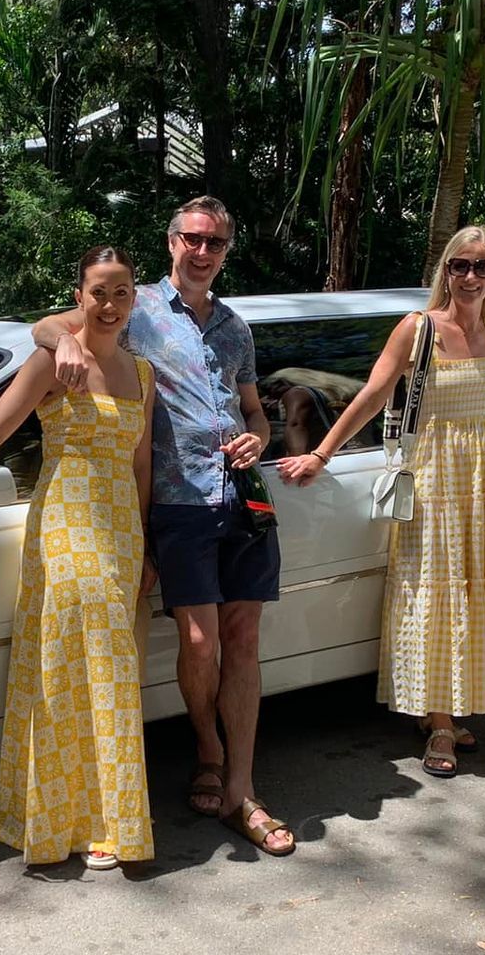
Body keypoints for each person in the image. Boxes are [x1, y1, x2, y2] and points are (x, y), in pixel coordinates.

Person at [31, 198, 294, 857]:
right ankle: (207, 747)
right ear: (172, 241)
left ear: (227, 250)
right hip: (177, 506)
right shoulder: (134, 306)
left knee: (243, 636)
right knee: (200, 644)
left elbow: (255, 411)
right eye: (193, 240)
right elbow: (46, 326)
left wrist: (259, 439)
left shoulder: (236, 327)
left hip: (246, 501)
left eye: (217, 243)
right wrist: (63, 338)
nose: (204, 252)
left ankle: (240, 786)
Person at [0, 246, 156, 870]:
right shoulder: (53, 360)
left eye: (121, 293)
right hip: (65, 521)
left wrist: (145, 543)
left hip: (120, 532)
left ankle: (105, 817)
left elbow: (141, 466)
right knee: (65, 663)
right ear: (78, 295)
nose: (109, 305)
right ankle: (58, 818)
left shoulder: (143, 374)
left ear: (134, 299)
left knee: (110, 667)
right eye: (99, 292)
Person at [275, 226, 485, 778]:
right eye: (460, 265)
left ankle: (457, 701)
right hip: (435, 474)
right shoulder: (418, 329)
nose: (470, 277)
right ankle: (440, 720)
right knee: (435, 591)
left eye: (483, 267)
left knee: (476, 588)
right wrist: (321, 453)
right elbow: (371, 394)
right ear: (445, 270)